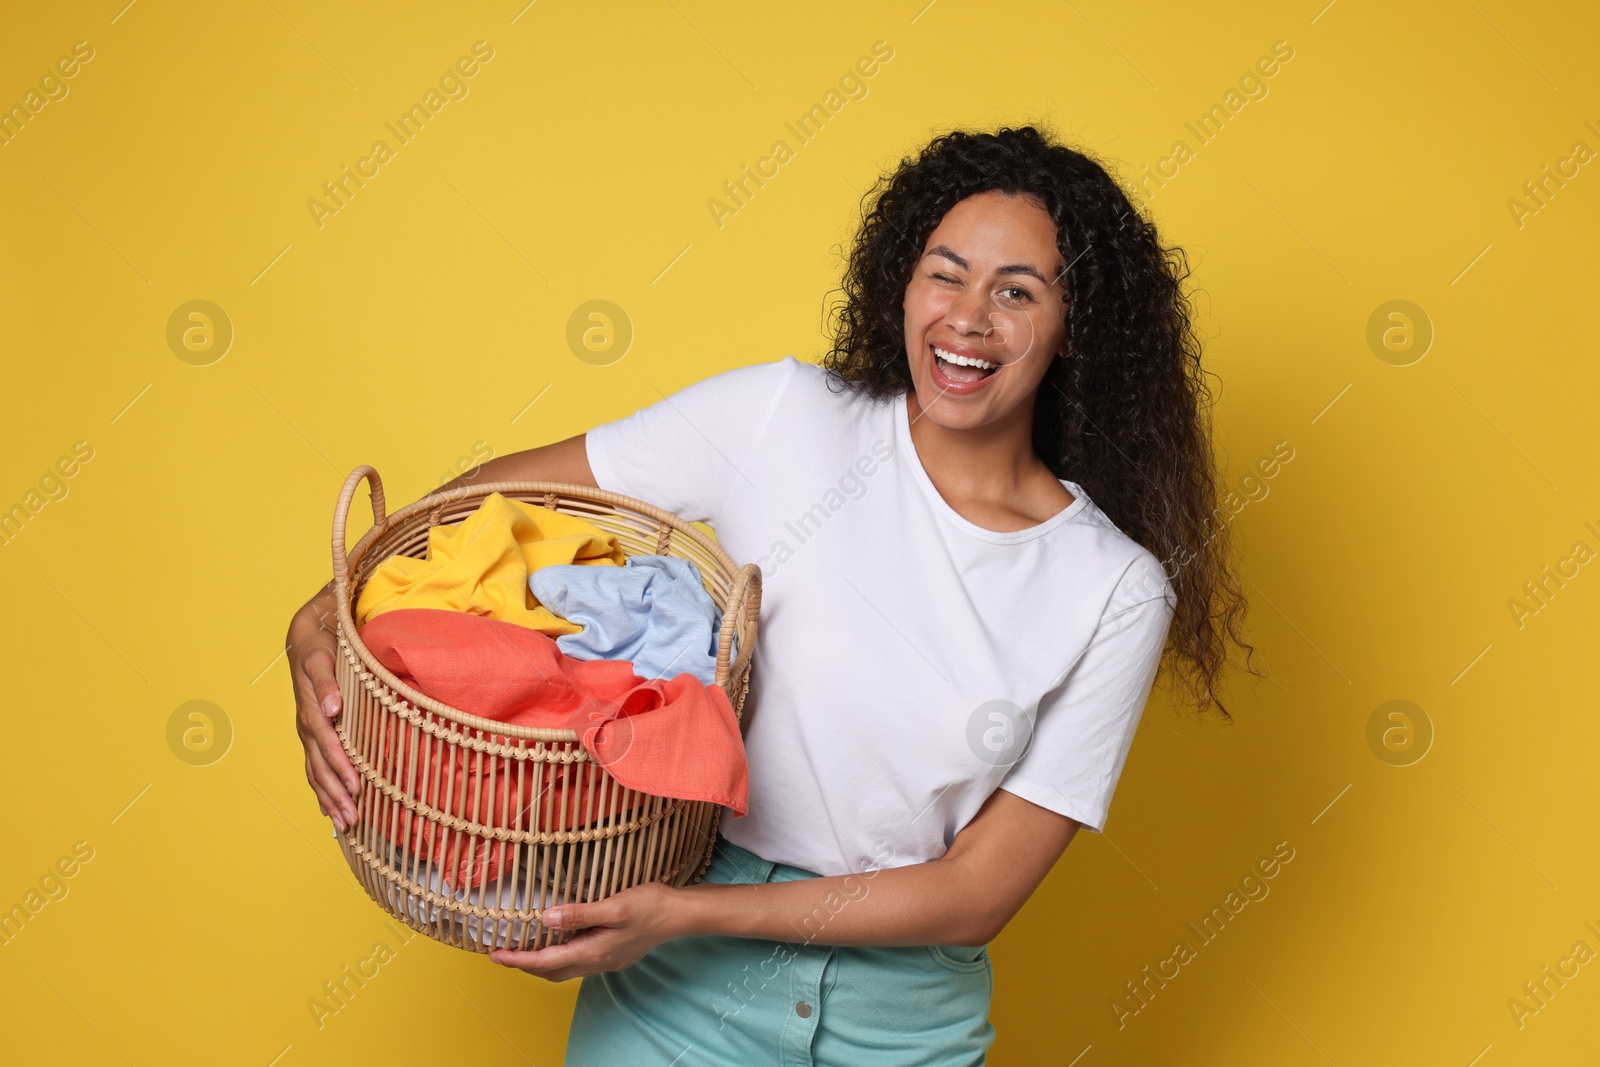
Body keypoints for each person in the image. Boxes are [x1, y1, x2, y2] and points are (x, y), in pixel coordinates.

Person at [285, 124, 1253, 1065]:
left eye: (1017, 291)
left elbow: (975, 892)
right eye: (944, 272)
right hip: (676, 998)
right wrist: (319, 616)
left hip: (900, 1019)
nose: (967, 316)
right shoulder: (784, 417)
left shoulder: (1111, 587)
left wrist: (679, 913)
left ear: (1075, 327)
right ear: (901, 283)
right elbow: (491, 509)